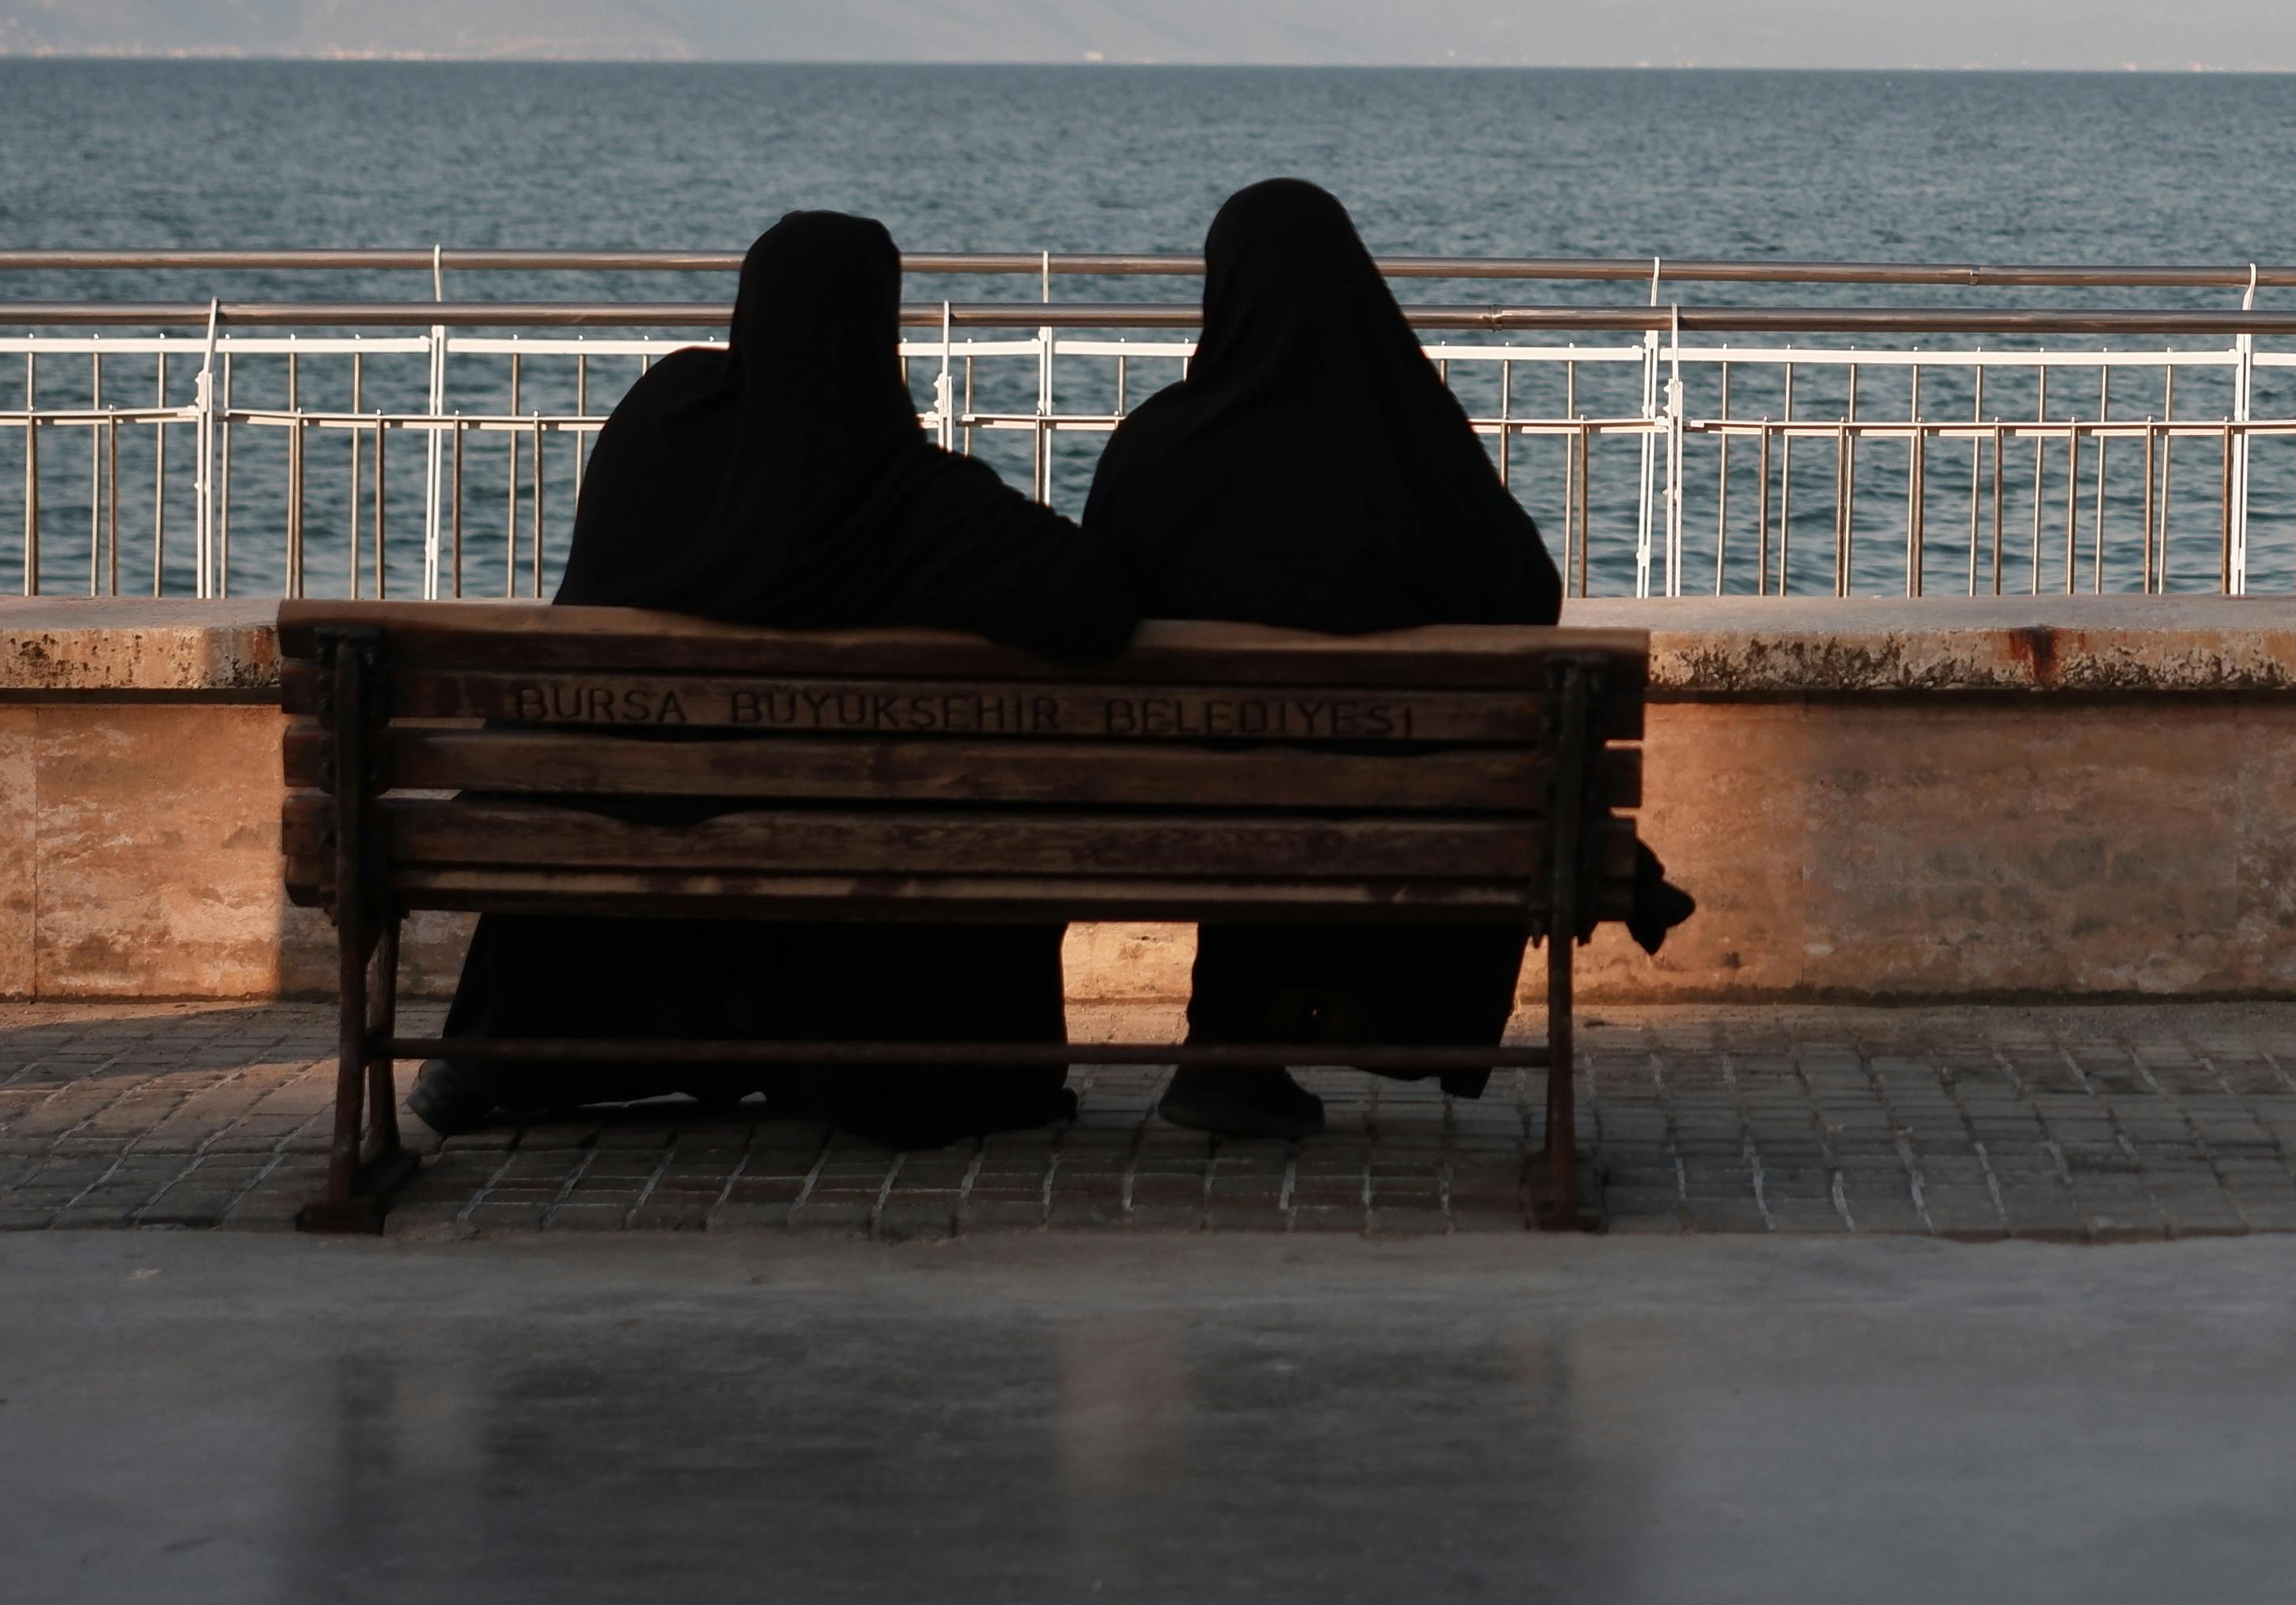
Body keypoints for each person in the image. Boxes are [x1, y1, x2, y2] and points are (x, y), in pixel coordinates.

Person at [409, 210, 1146, 1146]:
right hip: (822, 858)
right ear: (881, 332)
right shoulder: (898, 495)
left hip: (595, 821)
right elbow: (1094, 604)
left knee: (652, 794)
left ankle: (507, 1053)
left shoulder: (661, 417)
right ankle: (910, 1071)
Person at [1085, 175, 1684, 1139]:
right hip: (1407, 822)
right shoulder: (1410, 445)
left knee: (1256, 772)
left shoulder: (1155, 448)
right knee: (1353, 775)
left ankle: (1231, 1051)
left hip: (1177, 813)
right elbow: (1529, 591)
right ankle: (1308, 1040)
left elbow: (1100, 595)